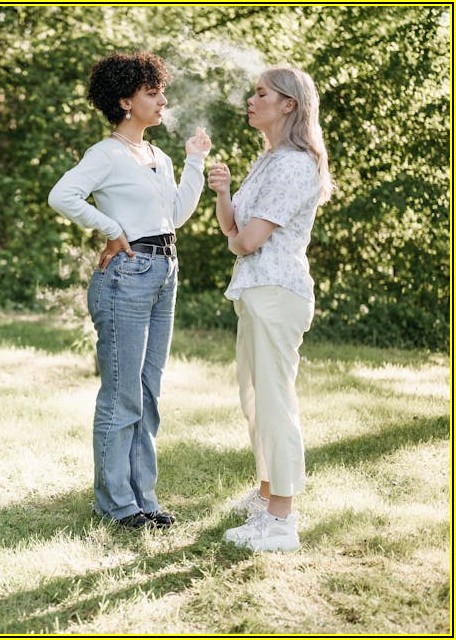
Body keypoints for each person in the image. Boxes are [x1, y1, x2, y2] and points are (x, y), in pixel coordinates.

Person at [48, 52, 211, 530]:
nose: (162, 100)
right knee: (122, 396)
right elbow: (62, 195)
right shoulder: (106, 153)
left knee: (148, 392)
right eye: (151, 93)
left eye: (161, 92)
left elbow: (176, 215)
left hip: (165, 272)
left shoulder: (156, 156)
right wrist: (111, 228)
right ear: (124, 101)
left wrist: (195, 162)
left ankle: (144, 499)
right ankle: (117, 505)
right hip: (128, 274)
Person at [207, 66, 332, 551]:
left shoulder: (296, 163)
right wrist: (222, 192)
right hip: (257, 292)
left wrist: (240, 238)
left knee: (275, 403)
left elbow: (248, 240)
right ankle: (266, 497)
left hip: (277, 293)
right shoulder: (269, 159)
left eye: (262, 93)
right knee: (256, 401)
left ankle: (281, 521)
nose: (252, 99)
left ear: (289, 105)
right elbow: (232, 228)